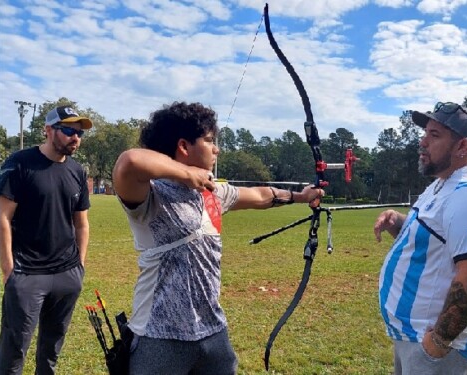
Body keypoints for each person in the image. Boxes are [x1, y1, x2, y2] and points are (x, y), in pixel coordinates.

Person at [112, 101, 324, 375]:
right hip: (160, 335)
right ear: (184, 147)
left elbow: (260, 196)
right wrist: (187, 173)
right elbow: (129, 161)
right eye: (210, 140)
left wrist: (300, 197)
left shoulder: (213, 193)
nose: (216, 149)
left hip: (212, 331)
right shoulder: (150, 196)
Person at [373, 101, 467, 374]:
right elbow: (439, 241)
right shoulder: (444, 184)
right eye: (425, 134)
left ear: (462, 147)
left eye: (434, 135)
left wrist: (437, 344)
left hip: (439, 349)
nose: (423, 142)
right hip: (416, 338)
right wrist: (398, 223)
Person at [0, 105, 93, 374]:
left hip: (66, 274)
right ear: (49, 130)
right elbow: (2, 218)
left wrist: (79, 266)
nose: (75, 137)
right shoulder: (19, 163)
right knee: (14, 352)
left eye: (79, 133)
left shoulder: (77, 171)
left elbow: (81, 223)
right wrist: (9, 271)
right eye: (68, 130)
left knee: (51, 350)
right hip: (27, 274)